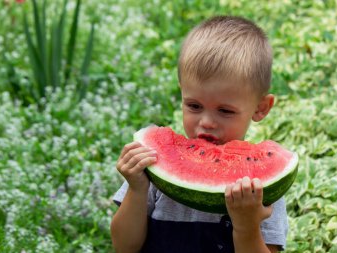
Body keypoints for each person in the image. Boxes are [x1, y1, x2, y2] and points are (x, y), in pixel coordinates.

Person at [111, 16, 288, 253]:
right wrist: (137, 189)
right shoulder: (154, 166)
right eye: (194, 106)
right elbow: (124, 247)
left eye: (225, 111)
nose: (206, 122)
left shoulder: (260, 189)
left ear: (260, 108)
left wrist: (247, 225)